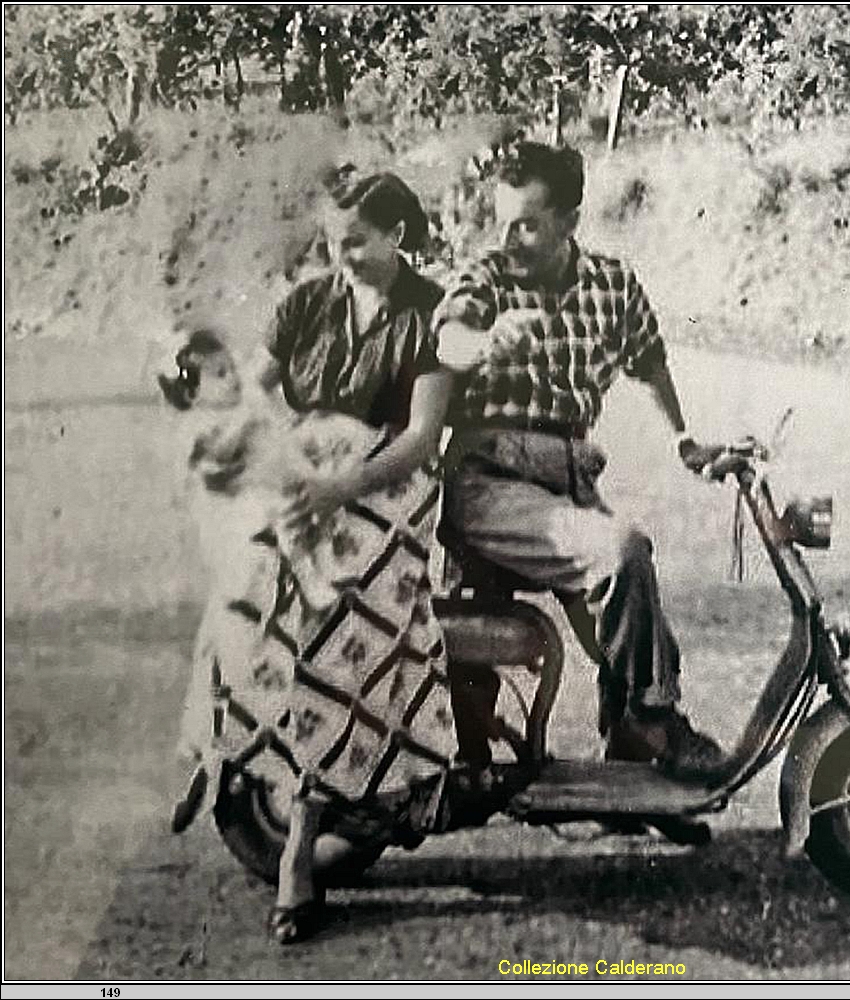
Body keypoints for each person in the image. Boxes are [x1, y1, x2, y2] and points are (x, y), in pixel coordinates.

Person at [178, 171, 458, 946]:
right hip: (310, 479)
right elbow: (254, 393)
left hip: (385, 491)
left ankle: (301, 839)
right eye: (333, 244)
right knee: (249, 580)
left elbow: (419, 439)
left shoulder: (429, 313)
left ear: (398, 234)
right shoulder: (309, 302)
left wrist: (340, 487)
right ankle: (224, 749)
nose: (342, 258)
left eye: (357, 243)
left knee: (334, 619)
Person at [430, 141, 725, 781]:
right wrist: (481, 343)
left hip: (568, 477)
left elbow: (651, 365)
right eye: (502, 219)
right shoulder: (487, 278)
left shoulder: (612, 286)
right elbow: (448, 337)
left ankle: (631, 761)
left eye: (528, 223)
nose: (509, 237)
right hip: (490, 478)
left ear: (570, 220)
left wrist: (684, 438)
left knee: (628, 607)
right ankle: (652, 722)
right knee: (618, 553)